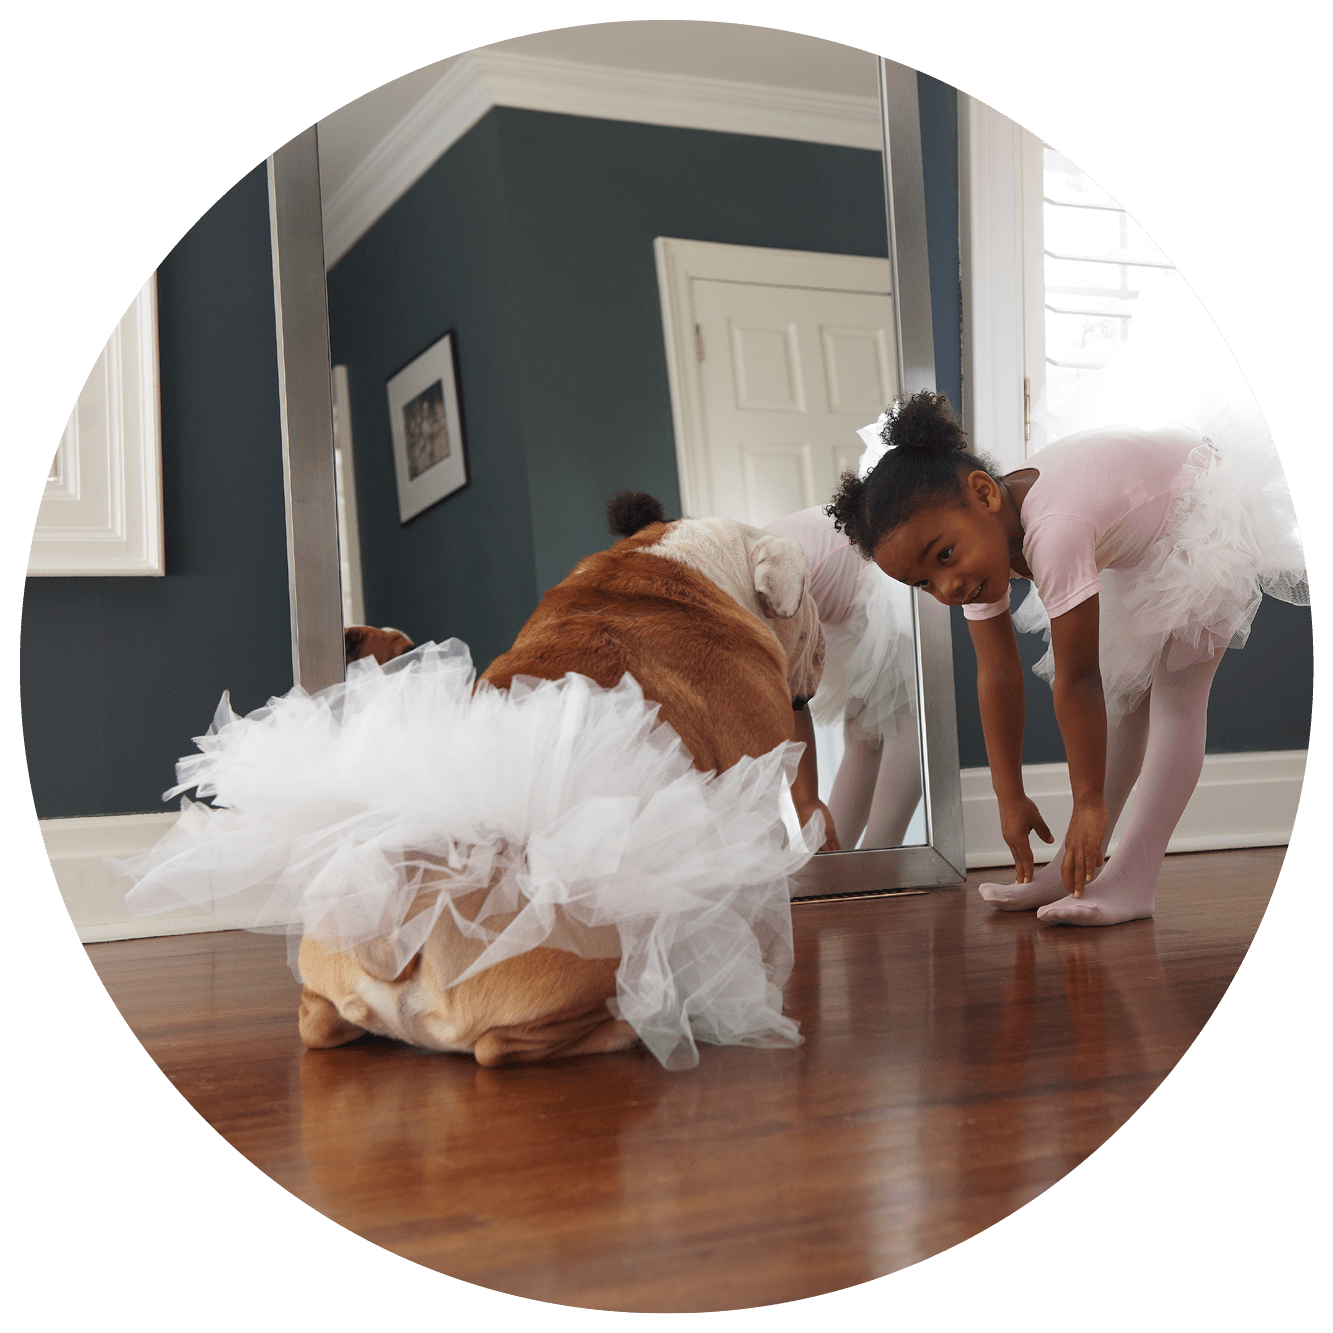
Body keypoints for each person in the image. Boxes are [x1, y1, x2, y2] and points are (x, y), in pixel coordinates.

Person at [827, 391, 1307, 926]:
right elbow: (998, 676)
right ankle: (1072, 869)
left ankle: (1132, 880)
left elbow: (1080, 680)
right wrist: (1009, 797)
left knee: (1176, 699)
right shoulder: (981, 546)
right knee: (1126, 703)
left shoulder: (1054, 530)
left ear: (984, 493)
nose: (947, 585)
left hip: (1201, 507)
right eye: (923, 582)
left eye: (943, 556)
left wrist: (1088, 804)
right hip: (1137, 529)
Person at [767, 427, 922, 852]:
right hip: (828, 599)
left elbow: (792, 705)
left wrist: (806, 801)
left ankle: (880, 854)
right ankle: (839, 863)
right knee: (862, 733)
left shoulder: (762, 597)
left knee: (907, 724)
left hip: (873, 575)